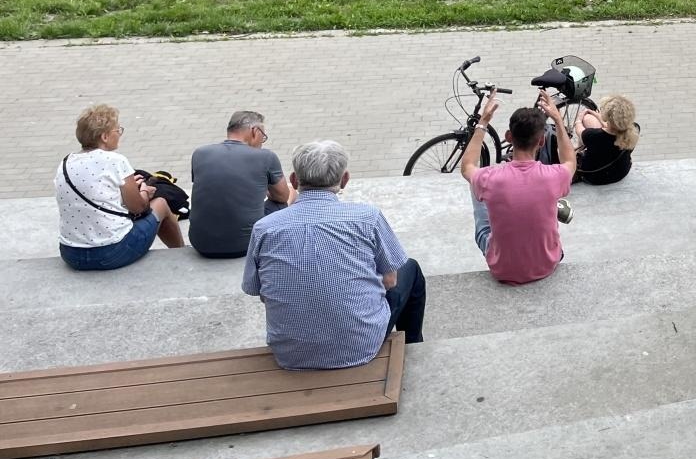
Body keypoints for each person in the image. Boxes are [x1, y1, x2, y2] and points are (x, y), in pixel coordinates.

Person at [243, 140, 425, 369]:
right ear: (345, 179)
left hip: (290, 353)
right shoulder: (368, 218)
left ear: (294, 180)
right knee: (410, 268)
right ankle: (414, 344)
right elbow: (390, 281)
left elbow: (255, 290)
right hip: (361, 346)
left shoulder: (264, 228)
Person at [460, 91, 576, 284]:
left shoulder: (490, 178)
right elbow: (570, 160)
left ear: (508, 137)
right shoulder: (555, 176)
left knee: (475, 184)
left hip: (502, 269)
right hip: (547, 263)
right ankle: (544, 206)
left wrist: (483, 121)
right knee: (546, 195)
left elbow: (467, 167)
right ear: (542, 140)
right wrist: (557, 120)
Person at [56, 103, 185, 270]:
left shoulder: (65, 163)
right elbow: (138, 207)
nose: (120, 134)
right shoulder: (116, 161)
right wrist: (144, 190)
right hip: (110, 253)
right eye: (118, 130)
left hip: (71, 254)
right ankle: (181, 253)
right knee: (161, 204)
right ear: (104, 137)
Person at [188, 109, 295, 259]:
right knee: (291, 193)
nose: (261, 143)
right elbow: (282, 197)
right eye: (263, 137)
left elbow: (214, 188)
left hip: (200, 243)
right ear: (254, 131)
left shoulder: (199, 153)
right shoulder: (266, 157)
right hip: (245, 245)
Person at [574, 94, 640, 185]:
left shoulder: (593, 136)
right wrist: (599, 117)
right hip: (621, 172)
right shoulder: (634, 129)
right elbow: (614, 129)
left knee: (587, 119)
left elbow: (579, 130)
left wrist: (579, 119)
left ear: (607, 117)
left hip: (594, 177)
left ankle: (578, 149)